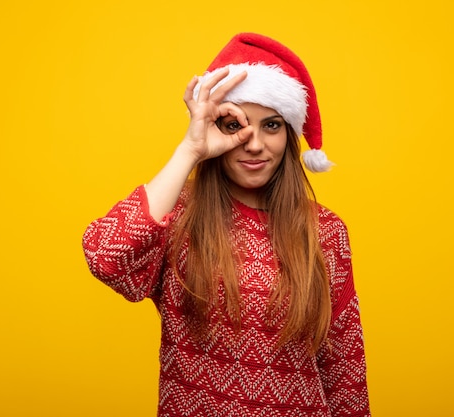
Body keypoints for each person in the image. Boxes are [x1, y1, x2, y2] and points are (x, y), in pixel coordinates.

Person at [82, 33, 370, 417]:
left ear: (289, 135)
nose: (254, 144)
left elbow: (344, 367)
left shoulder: (325, 231)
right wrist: (191, 149)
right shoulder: (180, 214)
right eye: (235, 125)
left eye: (271, 125)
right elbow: (106, 257)